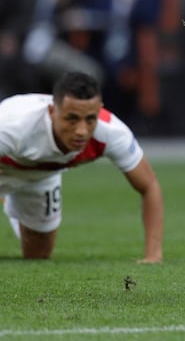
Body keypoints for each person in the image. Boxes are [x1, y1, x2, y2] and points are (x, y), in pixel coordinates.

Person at [0, 71, 163, 261]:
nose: (82, 131)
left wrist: (153, 256)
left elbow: (149, 185)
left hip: (42, 176)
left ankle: (10, 201)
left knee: (38, 255)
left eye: (90, 119)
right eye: (72, 118)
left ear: (99, 110)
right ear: (52, 112)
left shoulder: (111, 132)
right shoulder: (12, 126)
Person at [98, 0, 171, 131]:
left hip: (137, 46)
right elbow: (98, 14)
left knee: (135, 62)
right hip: (106, 42)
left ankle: (141, 120)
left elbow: (152, 16)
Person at [12, 0, 104, 93]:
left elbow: (81, 19)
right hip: (26, 42)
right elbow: (17, 18)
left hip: (58, 43)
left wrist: (64, 1)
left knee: (91, 73)